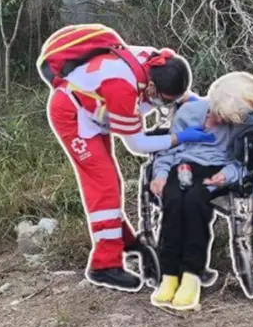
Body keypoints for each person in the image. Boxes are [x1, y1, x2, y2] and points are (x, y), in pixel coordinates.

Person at [42, 24, 216, 292]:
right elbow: (137, 144)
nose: (163, 105)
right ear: (153, 87)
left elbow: (177, 94)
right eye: (163, 100)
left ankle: (125, 240)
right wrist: (178, 139)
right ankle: (104, 265)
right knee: (104, 183)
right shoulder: (122, 87)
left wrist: (202, 107)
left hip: (92, 111)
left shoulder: (155, 63)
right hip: (72, 115)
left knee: (110, 182)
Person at [148, 71, 253, 310]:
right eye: (220, 115)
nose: (222, 121)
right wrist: (160, 175)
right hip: (181, 165)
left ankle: (192, 274)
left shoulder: (238, 124)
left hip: (216, 169)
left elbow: (242, 163)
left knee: (195, 203)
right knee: (173, 202)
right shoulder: (189, 113)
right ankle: (169, 275)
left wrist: (226, 175)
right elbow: (168, 150)